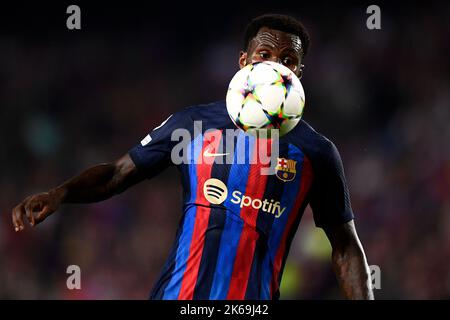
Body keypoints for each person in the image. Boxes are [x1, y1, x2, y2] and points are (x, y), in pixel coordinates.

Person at [11, 14, 374, 300]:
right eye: (264, 55)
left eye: (288, 60)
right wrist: (61, 193)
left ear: (298, 74)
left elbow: (344, 246)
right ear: (243, 61)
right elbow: (116, 174)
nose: (274, 67)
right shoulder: (195, 124)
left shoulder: (316, 152)